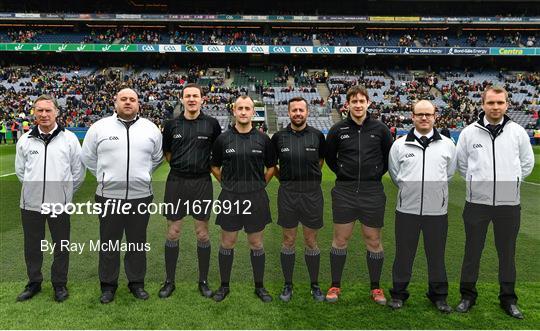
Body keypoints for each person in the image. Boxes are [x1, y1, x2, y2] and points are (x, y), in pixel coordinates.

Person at [455, 86, 534, 319]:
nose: (495, 107)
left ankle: (508, 299)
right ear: (483, 104)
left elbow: (526, 164)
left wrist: (512, 182)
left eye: (500, 102)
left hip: (508, 204)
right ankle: (467, 296)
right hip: (476, 203)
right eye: (491, 103)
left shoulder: (518, 132)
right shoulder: (469, 133)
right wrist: (476, 183)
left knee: (507, 254)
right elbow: (462, 165)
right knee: (472, 252)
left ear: (507, 104)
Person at [81, 88, 163, 304]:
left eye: (132, 99)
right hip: (108, 197)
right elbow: (88, 158)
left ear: (138, 104)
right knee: (109, 243)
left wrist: (142, 176)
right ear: (115, 102)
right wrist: (105, 177)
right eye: (123, 99)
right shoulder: (99, 127)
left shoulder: (150, 128)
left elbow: (157, 158)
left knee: (137, 243)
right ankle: (108, 286)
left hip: (141, 197)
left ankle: (137, 283)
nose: (128, 102)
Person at [324, 85, 393, 304]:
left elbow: (386, 159)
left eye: (361, 101)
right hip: (344, 192)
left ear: (368, 103)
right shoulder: (337, 130)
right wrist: (345, 174)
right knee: (340, 239)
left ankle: (376, 287)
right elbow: (330, 159)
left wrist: (372, 175)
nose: (358, 105)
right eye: (354, 101)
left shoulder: (381, 129)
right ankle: (335, 285)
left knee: (373, 241)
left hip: (372, 192)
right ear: (347, 105)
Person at [387, 100, 456, 312]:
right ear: (413, 116)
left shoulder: (447, 144)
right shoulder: (399, 144)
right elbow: (395, 174)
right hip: (407, 211)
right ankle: (398, 294)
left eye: (428, 114)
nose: (424, 118)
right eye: (420, 114)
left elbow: (449, 174)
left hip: (437, 212)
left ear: (435, 116)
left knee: (436, 255)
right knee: (403, 255)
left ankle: (439, 296)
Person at [15, 95, 85, 302]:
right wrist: (32, 190)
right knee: (32, 246)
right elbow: (21, 172)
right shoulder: (25, 140)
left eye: (48, 110)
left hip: (59, 205)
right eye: (40, 111)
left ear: (56, 112)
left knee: (61, 246)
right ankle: (34, 282)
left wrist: (65, 194)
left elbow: (78, 173)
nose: (44, 114)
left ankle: (59, 284)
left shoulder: (70, 139)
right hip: (31, 205)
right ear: (34, 113)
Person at [210, 95, 277, 303]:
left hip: (256, 198)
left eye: (248, 108)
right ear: (234, 111)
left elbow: (271, 167)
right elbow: (214, 166)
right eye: (240, 108)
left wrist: (259, 185)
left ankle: (260, 286)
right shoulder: (223, 139)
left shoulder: (263, 139)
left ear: (253, 112)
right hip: (230, 197)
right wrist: (227, 184)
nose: (244, 112)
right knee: (227, 242)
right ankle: (224, 286)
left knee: (256, 243)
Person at [158, 83, 221, 299]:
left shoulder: (212, 124)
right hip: (176, 182)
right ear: (182, 99)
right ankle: (169, 281)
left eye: (196, 96)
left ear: (202, 99)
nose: (192, 99)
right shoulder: (172, 124)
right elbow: (167, 153)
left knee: (202, 234)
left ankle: (203, 281)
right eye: (188, 96)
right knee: (173, 232)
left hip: (202, 183)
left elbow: (217, 154)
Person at [271, 97, 326, 302]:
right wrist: (285, 179)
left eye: (301, 110)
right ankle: (288, 284)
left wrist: (308, 179)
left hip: (312, 195)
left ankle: (314, 285)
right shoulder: (278, 137)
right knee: (289, 240)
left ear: (307, 112)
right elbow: (272, 165)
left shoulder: (317, 136)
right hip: (287, 195)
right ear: (288, 112)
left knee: (311, 241)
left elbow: (319, 161)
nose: (297, 113)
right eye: (294, 110)